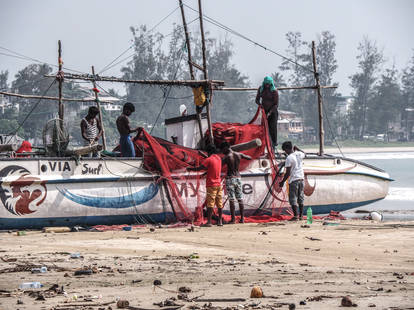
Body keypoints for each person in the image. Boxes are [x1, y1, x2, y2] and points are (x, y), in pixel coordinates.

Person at [187, 144, 223, 227]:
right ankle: (220, 221)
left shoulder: (208, 159)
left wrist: (190, 169)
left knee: (210, 204)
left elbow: (199, 168)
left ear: (208, 152)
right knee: (219, 203)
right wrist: (205, 173)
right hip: (218, 184)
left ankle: (209, 222)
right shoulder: (218, 159)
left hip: (211, 184)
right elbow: (213, 168)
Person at [221, 142, 252, 224]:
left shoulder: (227, 157)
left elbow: (218, 164)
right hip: (238, 178)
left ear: (226, 148)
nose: (222, 151)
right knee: (240, 198)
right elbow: (249, 157)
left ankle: (233, 219)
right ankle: (242, 219)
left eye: (222, 149)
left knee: (231, 199)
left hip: (230, 178)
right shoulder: (239, 154)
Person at [279, 141, 306, 220]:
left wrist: (282, 182)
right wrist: (297, 148)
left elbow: (287, 173)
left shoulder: (289, 158)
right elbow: (305, 154)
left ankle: (295, 216)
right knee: (300, 198)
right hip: (301, 179)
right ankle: (301, 216)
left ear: (287, 149)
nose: (285, 152)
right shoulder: (299, 154)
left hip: (294, 180)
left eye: (285, 150)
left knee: (293, 198)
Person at [256, 76, 279, 148]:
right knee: (264, 128)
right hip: (264, 111)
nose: (267, 86)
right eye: (266, 84)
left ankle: (274, 144)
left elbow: (276, 104)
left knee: (272, 128)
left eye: (268, 84)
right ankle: (263, 144)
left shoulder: (274, 91)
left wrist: (270, 113)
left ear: (271, 84)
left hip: (273, 112)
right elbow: (257, 100)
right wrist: (260, 105)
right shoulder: (261, 89)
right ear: (264, 83)